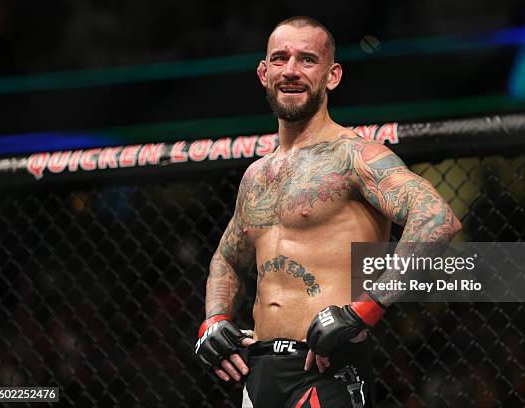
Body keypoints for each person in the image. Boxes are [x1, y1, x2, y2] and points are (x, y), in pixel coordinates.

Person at [194, 16, 461, 407]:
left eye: (307, 60)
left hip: (327, 365)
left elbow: (438, 219)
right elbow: (227, 258)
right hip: (260, 370)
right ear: (263, 73)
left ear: (332, 75)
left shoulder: (354, 156)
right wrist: (214, 319)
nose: (291, 71)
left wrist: (363, 312)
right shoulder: (256, 176)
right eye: (280, 58)